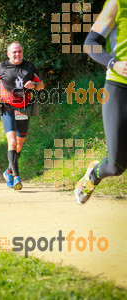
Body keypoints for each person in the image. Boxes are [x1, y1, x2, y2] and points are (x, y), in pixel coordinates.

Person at [75, 0, 127, 204]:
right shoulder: (117, 4)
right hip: (119, 88)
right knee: (116, 165)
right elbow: (90, 43)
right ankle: (93, 175)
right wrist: (114, 63)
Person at [0, 42, 44, 190]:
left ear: (22, 52)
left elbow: (41, 84)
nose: (17, 54)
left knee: (19, 145)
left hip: (24, 109)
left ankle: (8, 171)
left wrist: (34, 86)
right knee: (12, 141)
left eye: (19, 52)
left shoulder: (30, 67)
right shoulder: (2, 67)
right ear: (8, 54)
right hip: (7, 108)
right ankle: (17, 177)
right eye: (14, 52)